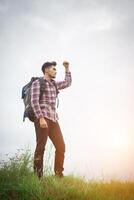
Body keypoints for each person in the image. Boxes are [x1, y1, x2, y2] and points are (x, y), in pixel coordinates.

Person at [30, 61, 72, 178]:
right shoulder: (38, 83)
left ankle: (58, 174)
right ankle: (38, 177)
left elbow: (67, 83)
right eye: (53, 69)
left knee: (61, 146)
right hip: (42, 119)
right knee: (41, 147)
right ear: (46, 70)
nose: (55, 71)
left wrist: (67, 69)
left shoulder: (54, 84)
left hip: (53, 119)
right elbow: (34, 101)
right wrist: (40, 118)